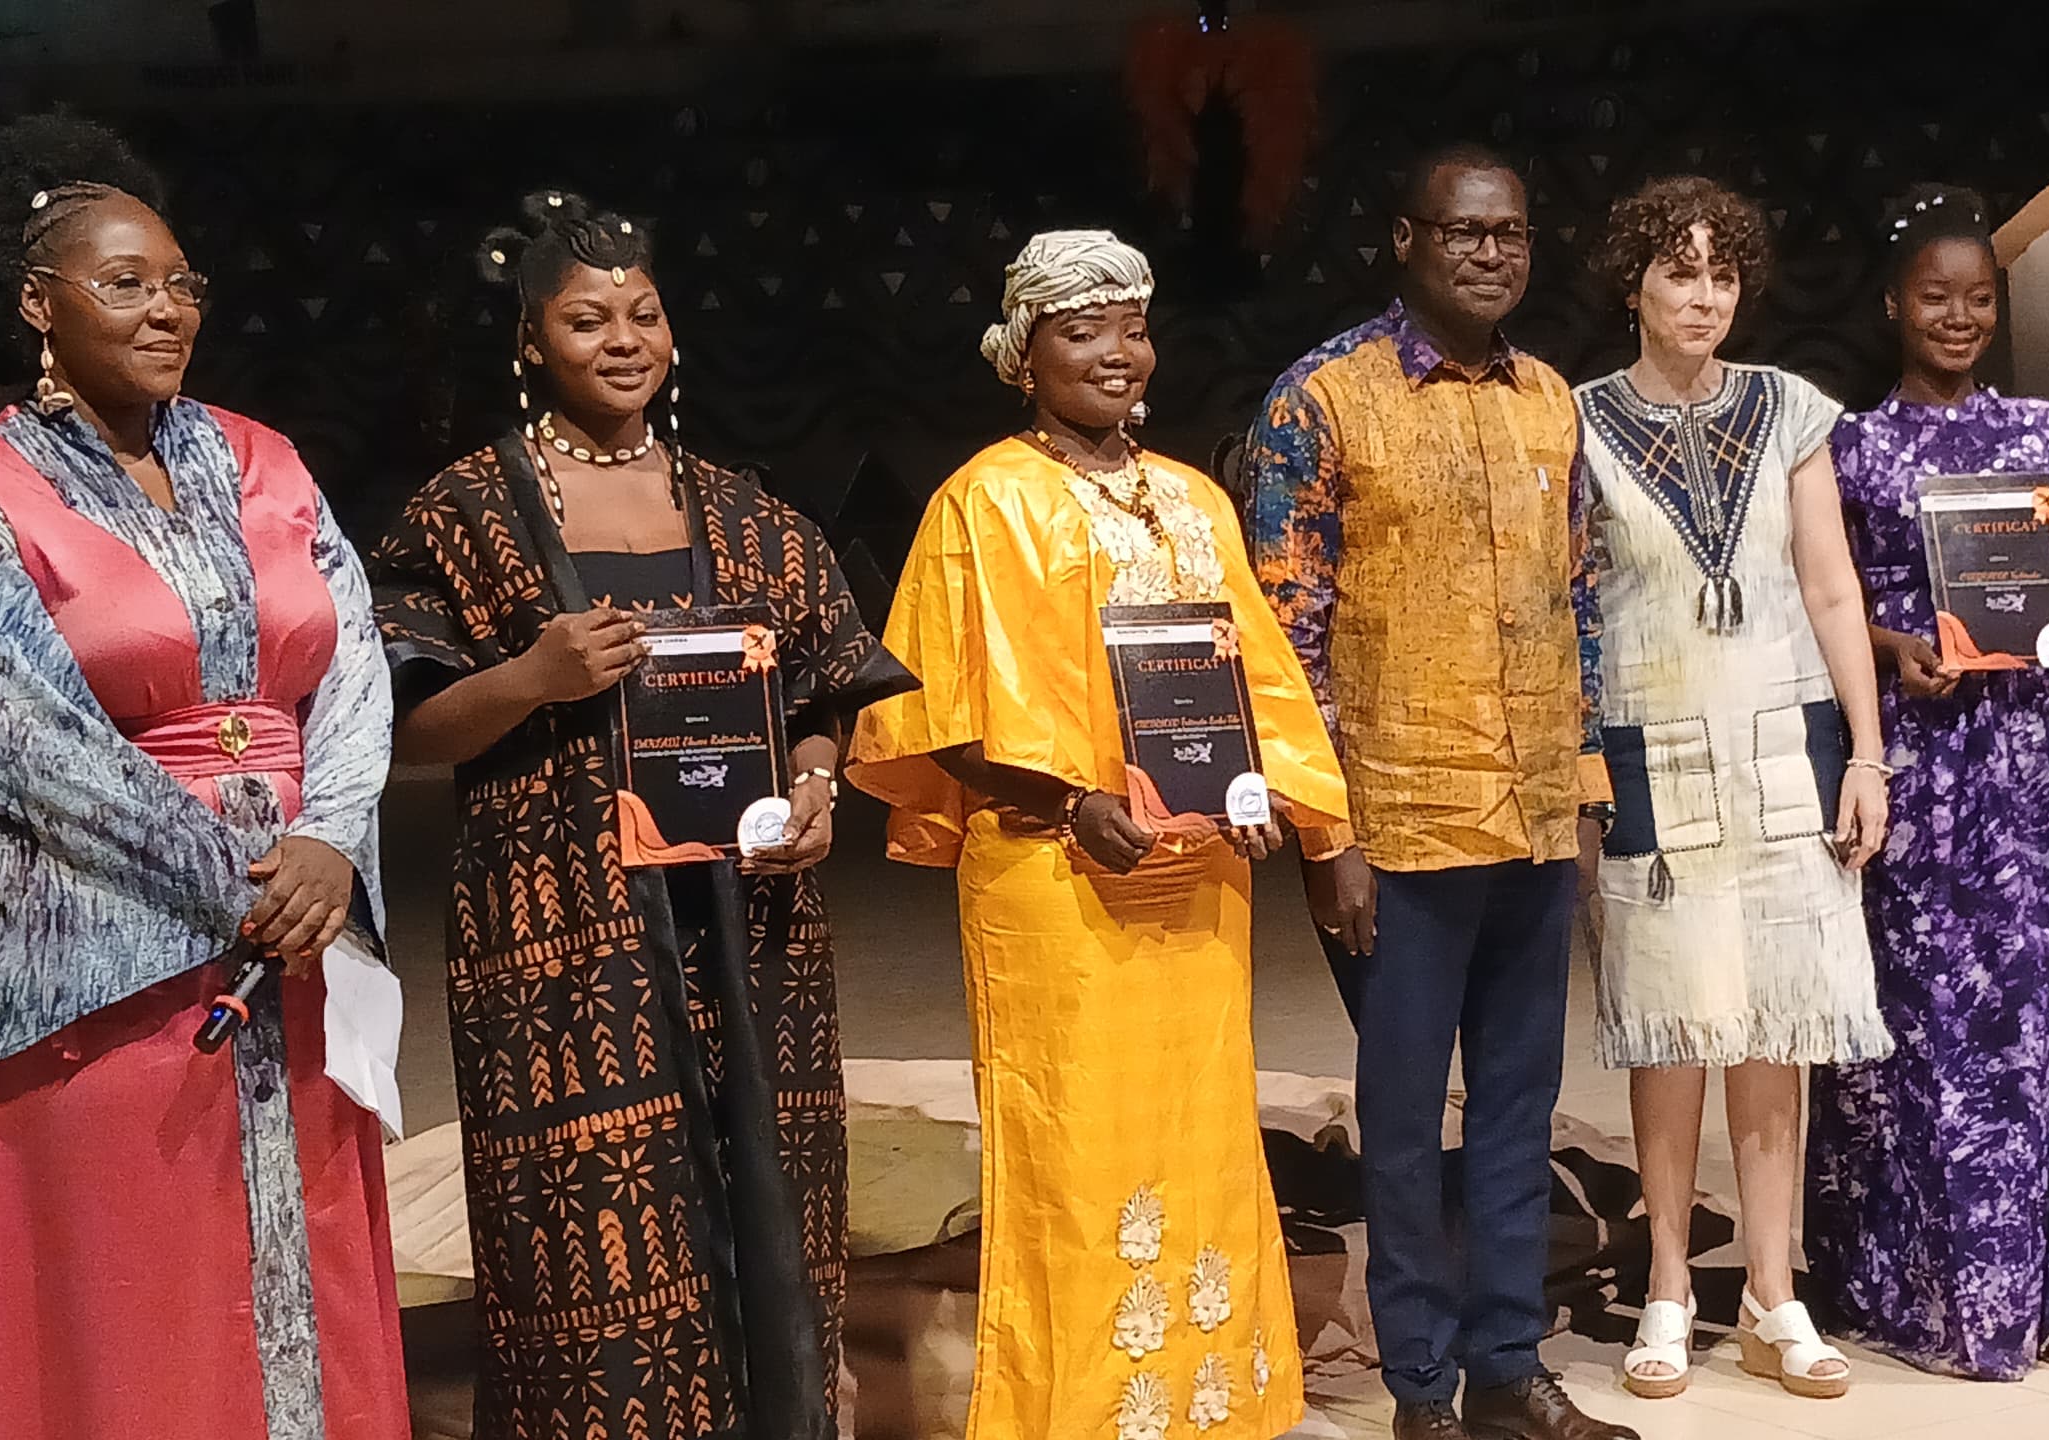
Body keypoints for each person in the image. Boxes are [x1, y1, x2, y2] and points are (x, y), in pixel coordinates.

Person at [369, 192, 913, 1439]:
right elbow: (405, 727)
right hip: (561, 936)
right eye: (585, 320)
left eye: (644, 314)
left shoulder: (746, 513)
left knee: (769, 1203)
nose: (623, 340)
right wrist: (532, 676)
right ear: (530, 342)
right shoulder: (464, 515)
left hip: (750, 926)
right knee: (589, 1231)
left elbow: (824, 694)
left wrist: (817, 785)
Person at [849, 230, 1347, 1440]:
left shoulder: (1194, 498)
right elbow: (935, 714)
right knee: (1071, 1155)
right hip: (1053, 878)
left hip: (1195, 878)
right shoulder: (983, 501)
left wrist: (1276, 802)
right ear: (1023, 355)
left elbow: (1258, 685)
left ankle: (1210, 1410)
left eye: (1131, 327)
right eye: (1081, 331)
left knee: (1202, 1134)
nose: (1115, 353)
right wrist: (1069, 802)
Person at [0, 116, 406, 1438]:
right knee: (144, 1302)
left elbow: (356, 666)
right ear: (37, 303)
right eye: (126, 283)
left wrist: (328, 844)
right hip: (106, 968)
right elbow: (21, 740)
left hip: (302, 942)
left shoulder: (265, 461)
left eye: (181, 282)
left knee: (310, 1259)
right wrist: (241, 882)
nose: (167, 309)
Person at [1246, 145, 1634, 1440]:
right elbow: (1284, 638)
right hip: (1397, 829)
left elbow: (1580, 605)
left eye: (1509, 232)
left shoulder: (1549, 400)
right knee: (1405, 1121)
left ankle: (1508, 1365)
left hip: (1530, 815)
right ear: (1404, 240)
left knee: (1520, 1110)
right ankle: (1421, 1387)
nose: (1489, 252)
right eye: (1463, 231)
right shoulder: (1323, 399)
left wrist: (1583, 795)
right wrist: (1326, 834)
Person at [1801, 184, 2049, 1381]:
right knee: (1928, 1023)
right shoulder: (1849, 448)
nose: (1958, 317)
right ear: (1893, 305)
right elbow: (1823, 603)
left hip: (2039, 764)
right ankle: (1929, 1292)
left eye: (1979, 298)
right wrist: (1897, 649)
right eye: (1935, 297)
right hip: (1925, 765)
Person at [1573, 175, 1891, 1403]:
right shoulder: (1578, 423)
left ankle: (1771, 1292)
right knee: (1672, 1026)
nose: (1702, 297)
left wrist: (1867, 755)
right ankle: (1666, 1283)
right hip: (1650, 753)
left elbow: (1831, 589)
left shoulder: (1790, 407)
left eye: (1722, 274)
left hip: (1783, 749)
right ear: (1633, 284)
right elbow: (1565, 609)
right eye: (1678, 272)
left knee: (1776, 1024)